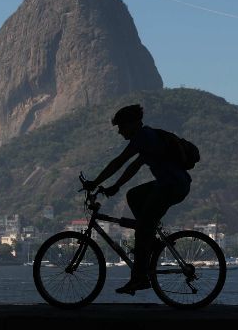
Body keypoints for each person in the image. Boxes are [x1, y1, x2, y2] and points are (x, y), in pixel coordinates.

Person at [82, 104, 192, 295]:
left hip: (171, 186)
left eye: (121, 127)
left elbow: (119, 161)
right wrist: (116, 186)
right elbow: (133, 166)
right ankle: (152, 238)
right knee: (133, 196)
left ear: (133, 124)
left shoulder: (143, 137)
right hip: (170, 184)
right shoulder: (147, 138)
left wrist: (95, 182)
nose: (119, 132)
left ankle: (139, 279)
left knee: (142, 232)